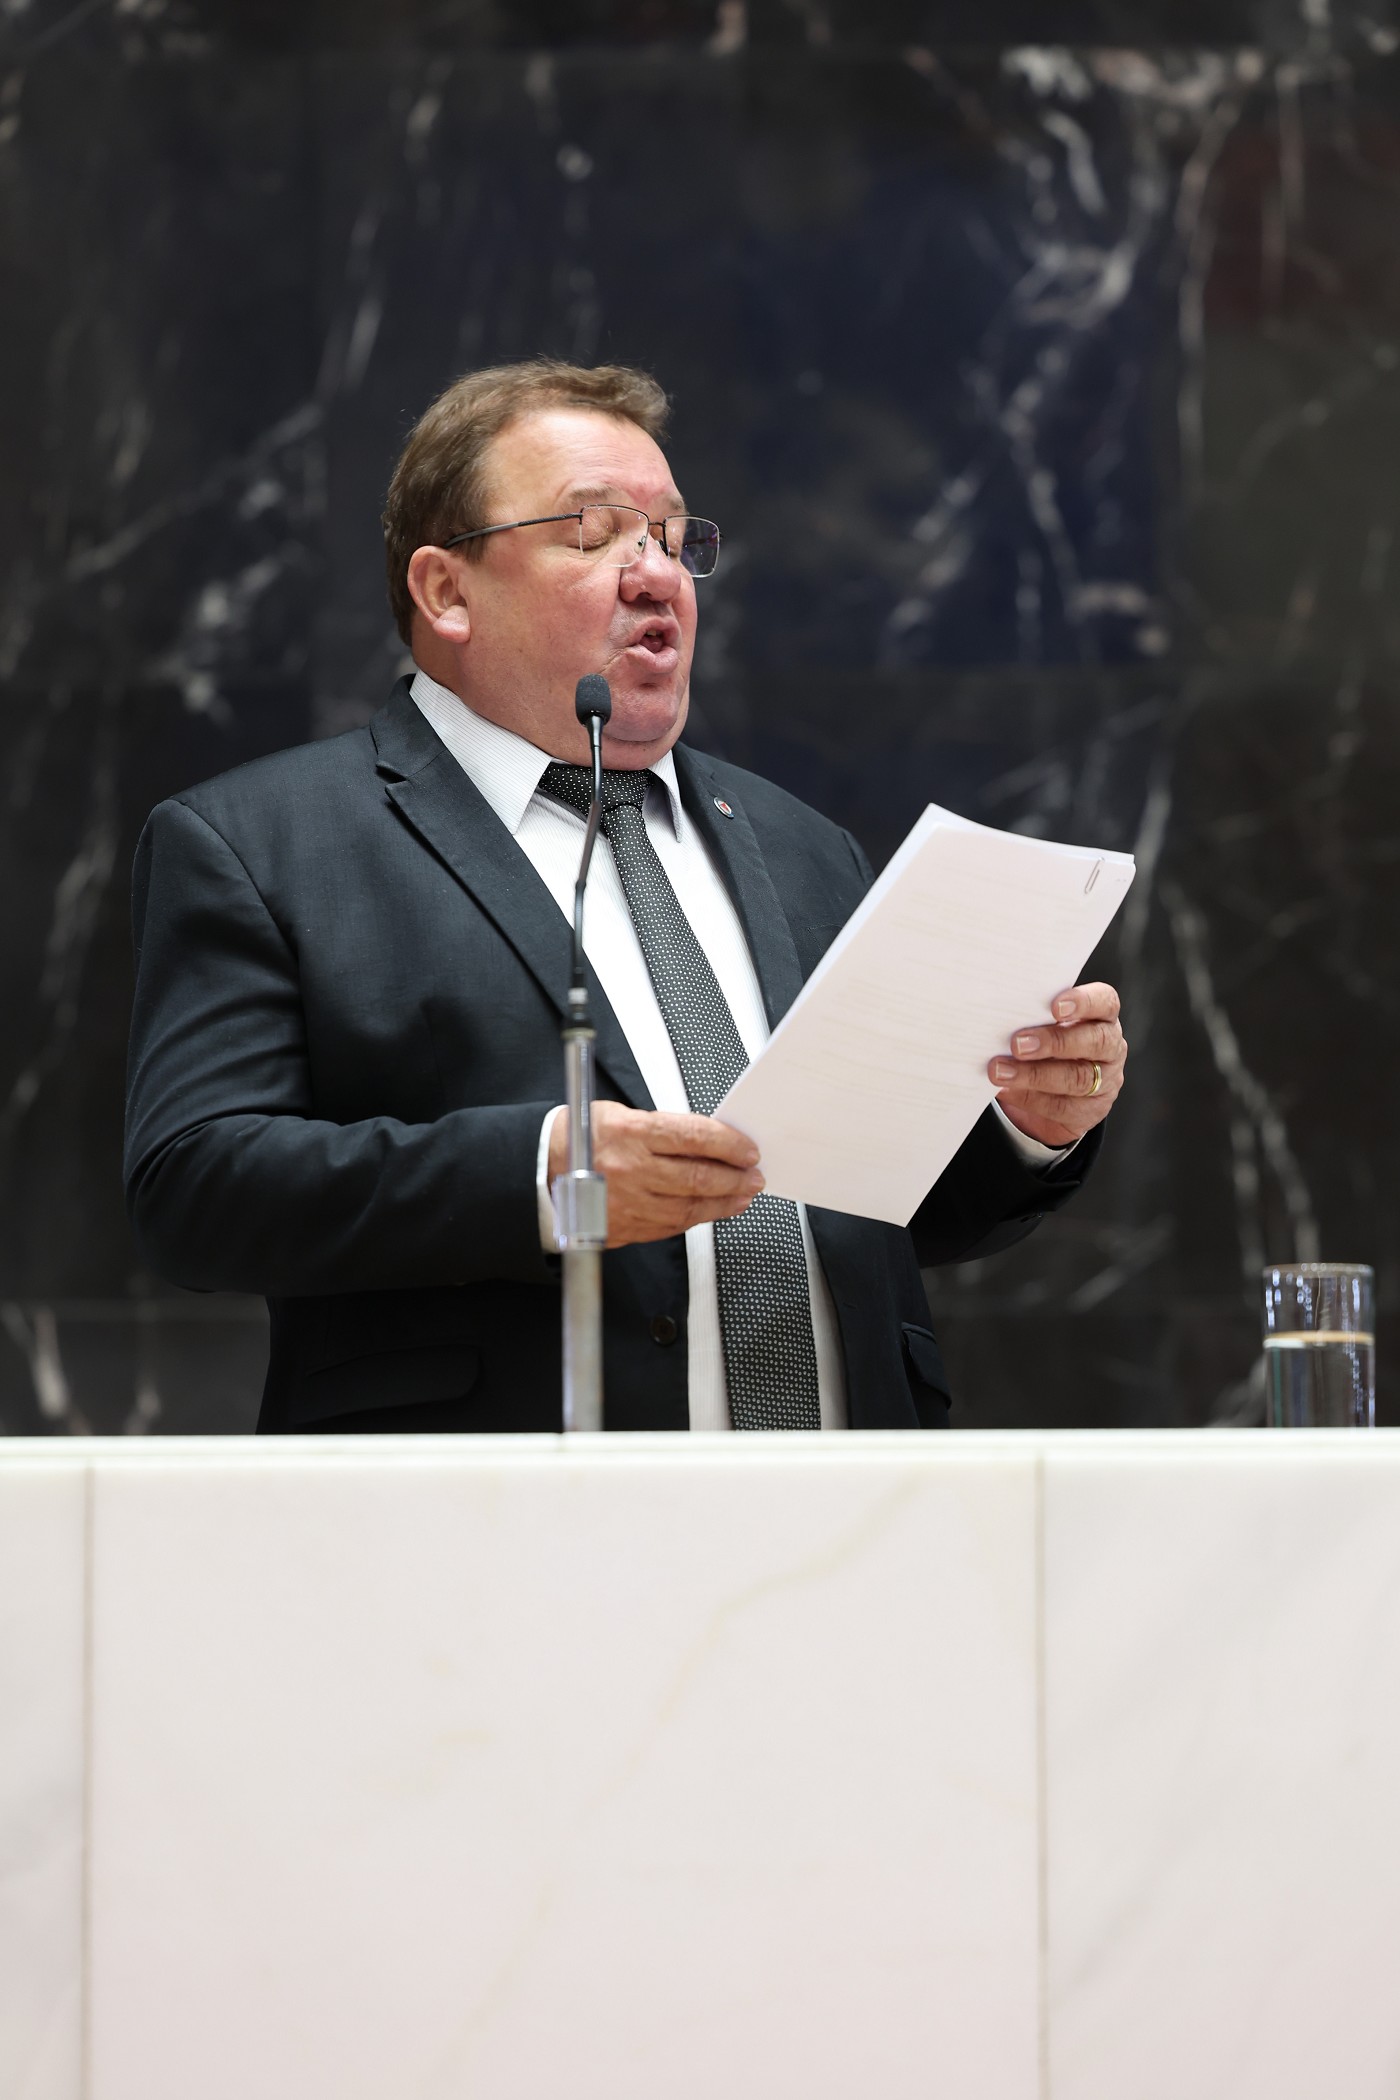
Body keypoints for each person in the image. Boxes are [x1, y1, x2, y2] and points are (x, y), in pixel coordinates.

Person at [124, 360, 1127, 1435]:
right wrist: (543, 1174)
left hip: (851, 1501)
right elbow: (195, 1189)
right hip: (498, 1512)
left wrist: (1026, 1126)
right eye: (594, 533)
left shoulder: (799, 846)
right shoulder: (266, 843)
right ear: (446, 591)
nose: (656, 575)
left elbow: (886, 1209)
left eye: (674, 538)